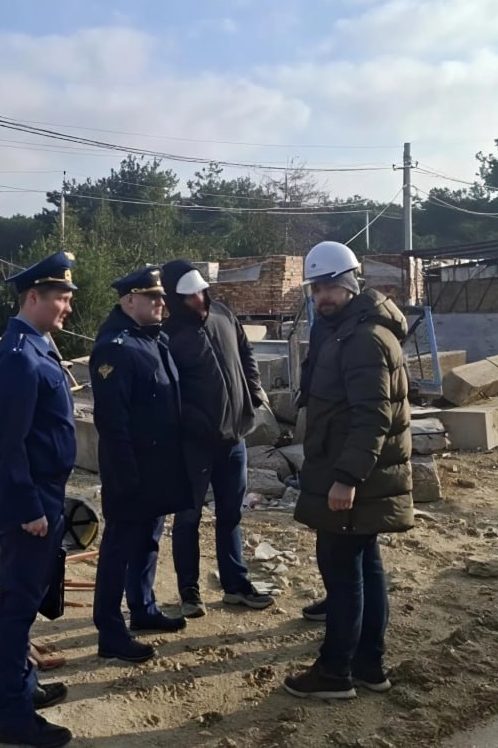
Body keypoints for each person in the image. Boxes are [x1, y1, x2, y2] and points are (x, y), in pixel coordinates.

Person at [282, 241, 414, 701]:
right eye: (316, 289)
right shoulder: (344, 329)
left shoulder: (363, 339)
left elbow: (372, 417)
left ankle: (335, 671)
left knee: (343, 575)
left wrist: (346, 479)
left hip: (352, 477)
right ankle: (369, 664)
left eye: (329, 287)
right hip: (352, 472)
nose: (322, 297)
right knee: (364, 569)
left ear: (351, 284)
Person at [0, 251, 79, 748]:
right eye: (61, 298)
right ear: (34, 297)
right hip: (30, 498)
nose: (68, 307)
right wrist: (29, 509)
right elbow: (9, 444)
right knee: (16, 609)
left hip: (46, 491)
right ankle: (15, 720)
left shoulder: (39, 347)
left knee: (30, 599)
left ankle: (25, 688)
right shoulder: (19, 356)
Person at [90, 264, 194, 663]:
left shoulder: (153, 339)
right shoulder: (115, 348)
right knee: (118, 550)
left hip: (158, 467)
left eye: (162, 297)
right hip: (131, 469)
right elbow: (112, 422)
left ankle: (143, 607)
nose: (161, 304)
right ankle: (109, 631)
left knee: (149, 540)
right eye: (153, 298)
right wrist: (125, 475)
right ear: (130, 300)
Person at [159, 259, 275, 617]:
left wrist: (253, 390)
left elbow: (245, 353)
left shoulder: (224, 315)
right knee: (188, 518)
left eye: (199, 291)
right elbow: (168, 393)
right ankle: (189, 592)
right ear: (175, 298)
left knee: (231, 515)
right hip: (194, 445)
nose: (198, 299)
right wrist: (193, 422)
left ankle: (236, 585)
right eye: (188, 295)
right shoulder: (169, 336)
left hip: (235, 439)